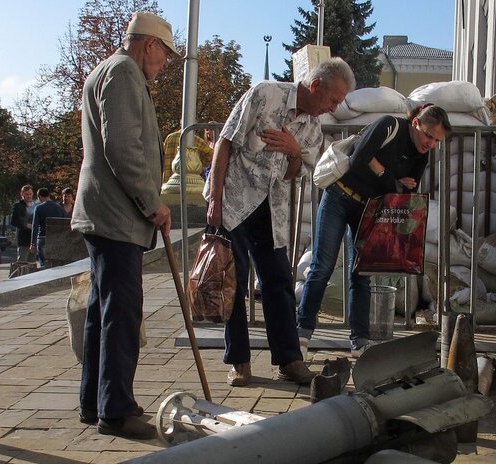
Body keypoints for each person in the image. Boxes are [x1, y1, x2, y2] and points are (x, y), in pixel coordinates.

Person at [205, 58, 353, 387]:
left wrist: (295, 151)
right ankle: (239, 361)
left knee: (279, 281)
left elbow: (292, 175)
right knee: (234, 282)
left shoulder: (312, 129)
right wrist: (214, 199)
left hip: (271, 210)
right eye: (332, 100)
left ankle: (289, 360)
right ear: (316, 86)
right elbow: (225, 143)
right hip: (233, 200)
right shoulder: (265, 94)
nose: (333, 108)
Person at [71, 12, 177, 439]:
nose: (165, 63)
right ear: (149, 45)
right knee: (121, 312)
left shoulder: (110, 70)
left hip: (106, 213)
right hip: (115, 215)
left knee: (104, 310)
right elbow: (123, 147)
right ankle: (115, 408)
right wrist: (153, 203)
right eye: (165, 54)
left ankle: (93, 401)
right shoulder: (123, 72)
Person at [296, 104, 450, 355]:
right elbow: (358, 161)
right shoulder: (388, 124)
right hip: (338, 197)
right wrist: (391, 180)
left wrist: (379, 169)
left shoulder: (422, 154)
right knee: (322, 266)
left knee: (361, 274)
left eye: (436, 140)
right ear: (415, 124)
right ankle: (302, 334)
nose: (431, 143)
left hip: (368, 210)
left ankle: (359, 340)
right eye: (428, 135)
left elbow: (407, 192)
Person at [30, 187, 63, 268]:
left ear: (40, 196)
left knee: (44, 264)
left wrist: (32, 243)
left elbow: (35, 226)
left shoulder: (38, 208)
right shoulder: (59, 208)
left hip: (42, 237)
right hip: (56, 238)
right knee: (56, 264)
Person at [10, 184, 34, 263]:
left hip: (34, 239)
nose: (29, 196)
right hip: (23, 239)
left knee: (32, 263)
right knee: (22, 262)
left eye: (30, 194)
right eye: (26, 194)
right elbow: (14, 221)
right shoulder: (18, 205)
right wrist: (26, 225)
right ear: (22, 194)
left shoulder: (35, 205)